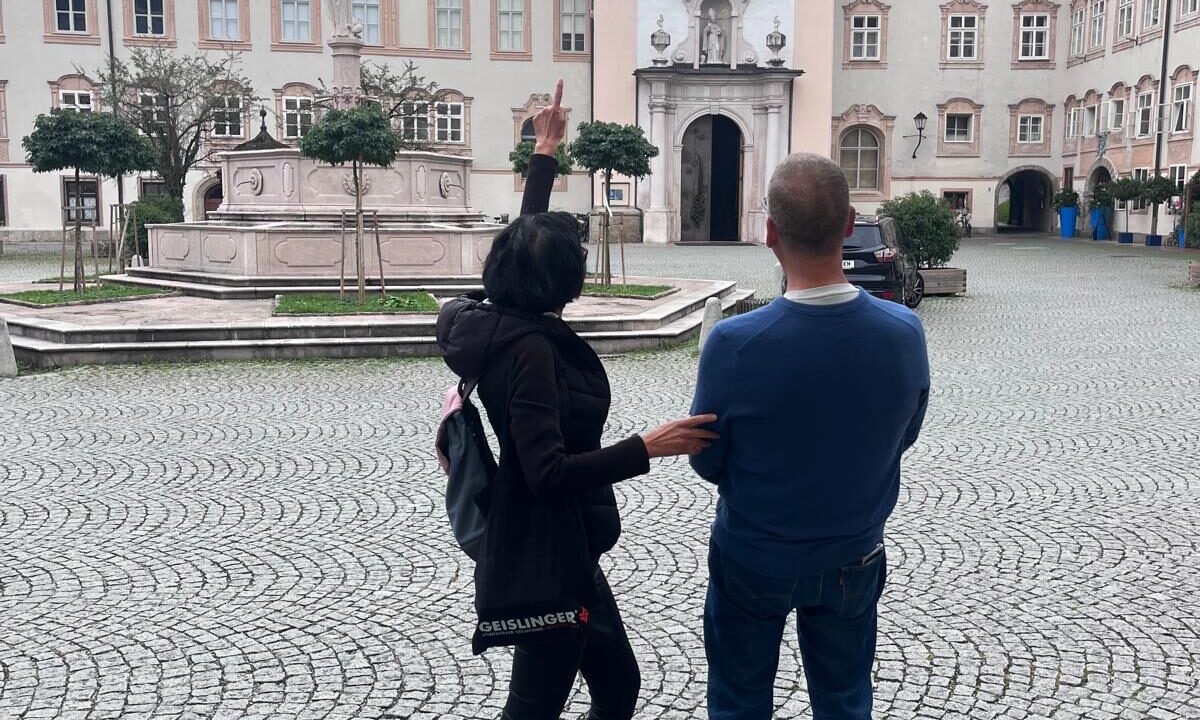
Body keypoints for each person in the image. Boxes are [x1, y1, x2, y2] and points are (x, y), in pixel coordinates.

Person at [436, 81, 718, 720]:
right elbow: (545, 472)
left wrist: (546, 151)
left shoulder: (498, 314)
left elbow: (525, 237)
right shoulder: (528, 349)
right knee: (536, 708)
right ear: (559, 282)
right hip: (545, 552)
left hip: (564, 547)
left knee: (618, 686)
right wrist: (648, 447)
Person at [689, 153, 930, 720]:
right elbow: (906, 432)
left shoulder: (735, 342)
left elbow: (708, 458)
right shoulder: (903, 331)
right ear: (849, 224)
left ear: (769, 231)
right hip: (853, 550)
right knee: (845, 700)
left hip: (752, 552)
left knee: (739, 699)